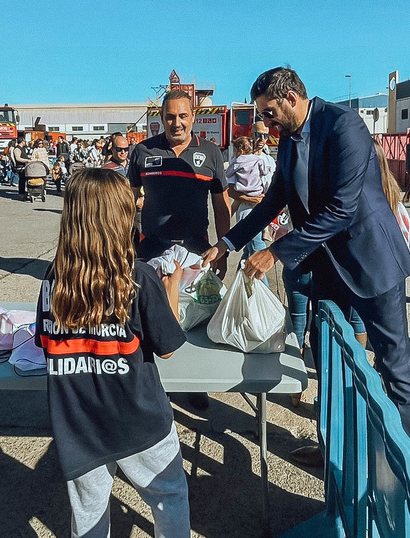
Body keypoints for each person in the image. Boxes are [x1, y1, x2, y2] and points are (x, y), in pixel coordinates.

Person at [202, 67, 410, 464]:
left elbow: (342, 209)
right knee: (327, 362)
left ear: (291, 98)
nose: (266, 123)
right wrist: (227, 243)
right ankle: (335, 452)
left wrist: (276, 251)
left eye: (270, 113)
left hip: (373, 262)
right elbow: (275, 202)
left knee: (395, 370)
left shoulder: (343, 126)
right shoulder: (288, 141)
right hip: (328, 269)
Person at [35, 168, 190, 538]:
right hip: (139, 419)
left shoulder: (54, 279)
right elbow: (167, 349)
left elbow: (46, 342)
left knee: (88, 515)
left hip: (79, 425)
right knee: (169, 495)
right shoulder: (137, 276)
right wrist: (173, 286)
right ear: (117, 218)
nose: (139, 205)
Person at [128, 89, 231, 412]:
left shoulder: (211, 153)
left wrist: (223, 248)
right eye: (170, 116)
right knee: (149, 324)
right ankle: (153, 386)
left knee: (195, 321)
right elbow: (127, 200)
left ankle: (194, 384)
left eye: (183, 116)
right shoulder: (143, 151)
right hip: (150, 252)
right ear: (161, 117)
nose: (177, 123)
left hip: (197, 253)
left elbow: (222, 205)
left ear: (193, 117)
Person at [226, 136, 270, 285]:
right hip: (252, 205)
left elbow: (228, 175)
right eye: (257, 136)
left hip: (255, 206)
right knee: (255, 248)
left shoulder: (237, 161)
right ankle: (262, 290)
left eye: (265, 136)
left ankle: (244, 285)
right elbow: (231, 191)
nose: (261, 139)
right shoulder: (259, 160)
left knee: (252, 249)